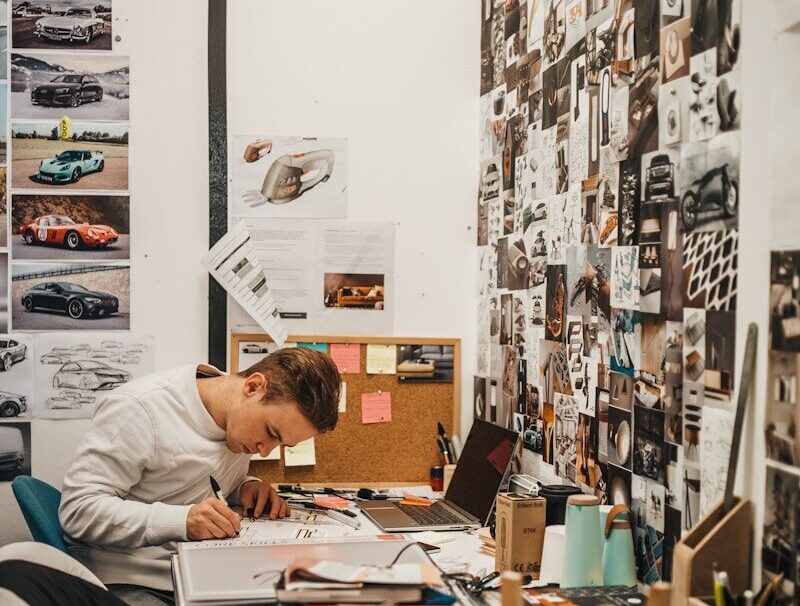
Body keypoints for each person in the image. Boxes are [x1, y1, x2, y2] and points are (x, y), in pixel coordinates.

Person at [59, 347, 341, 606]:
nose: (265, 452)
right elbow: (78, 510)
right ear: (253, 386)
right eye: (271, 433)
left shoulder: (237, 423)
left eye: (281, 445)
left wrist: (244, 487)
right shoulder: (139, 409)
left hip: (201, 572)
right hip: (130, 581)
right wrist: (183, 521)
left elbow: (199, 481)